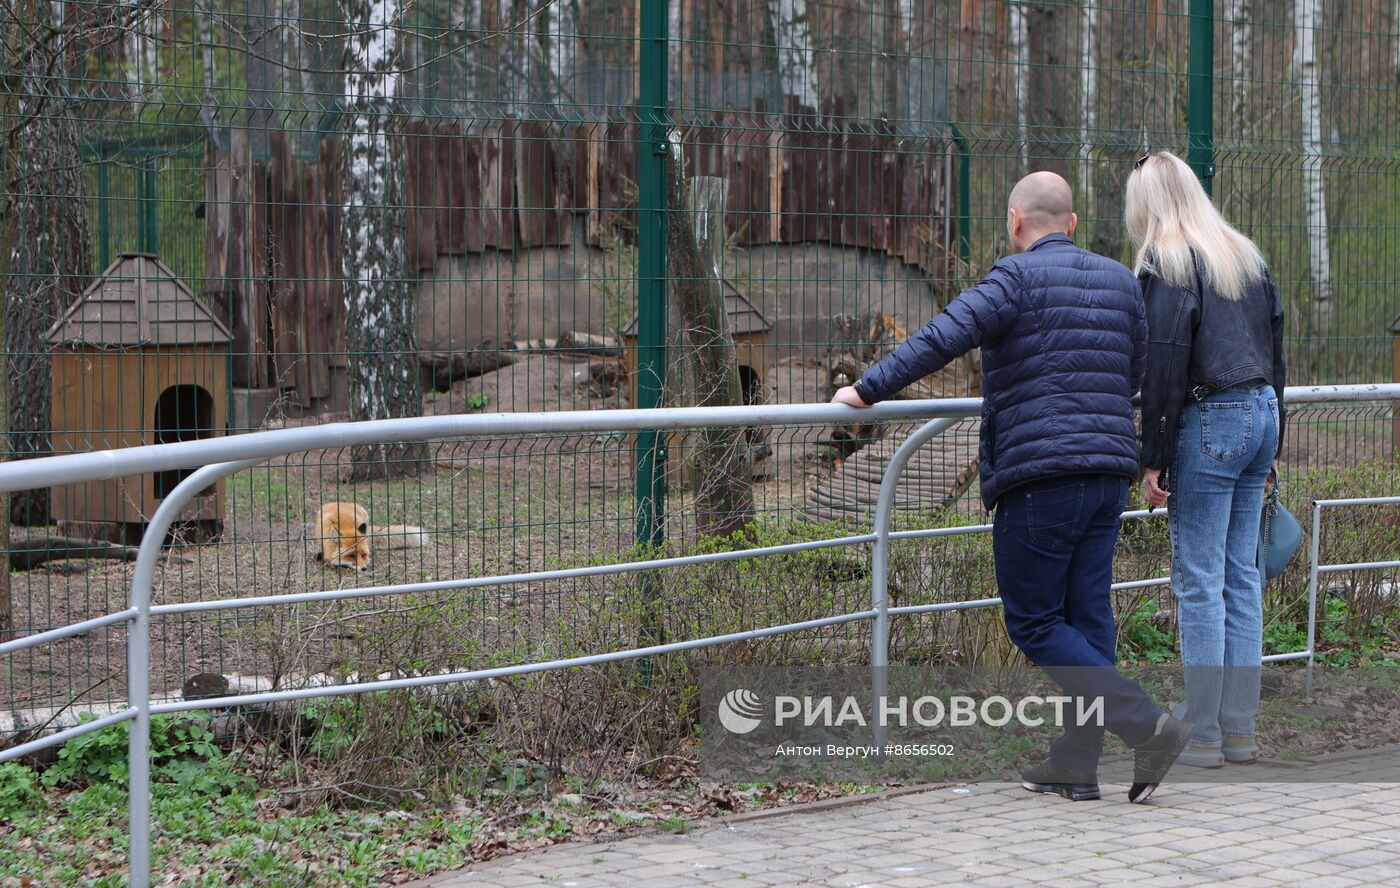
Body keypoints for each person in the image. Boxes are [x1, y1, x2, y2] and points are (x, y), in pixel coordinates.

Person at [832, 170, 1191, 803]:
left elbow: (943, 337)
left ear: (1014, 221)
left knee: (1033, 623)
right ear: (1073, 224)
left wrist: (865, 389)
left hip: (1039, 476)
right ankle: (1077, 766)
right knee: (1088, 617)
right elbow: (1132, 372)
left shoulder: (1013, 278)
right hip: (1109, 470)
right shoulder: (1118, 280)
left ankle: (1147, 727)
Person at [1130, 152, 1285, 769]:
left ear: (1148, 202)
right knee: (1240, 576)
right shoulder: (1241, 253)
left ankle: (1204, 734)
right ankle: (1240, 731)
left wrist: (1152, 457)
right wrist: (1274, 444)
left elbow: (1164, 365)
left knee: (1198, 581)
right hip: (1261, 413)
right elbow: (1276, 352)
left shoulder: (1165, 262)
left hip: (1210, 419)